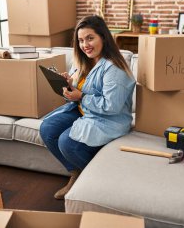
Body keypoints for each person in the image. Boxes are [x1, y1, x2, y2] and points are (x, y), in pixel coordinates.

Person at [39, 15, 136, 200]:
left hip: (108, 119)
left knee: (67, 143)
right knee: (47, 128)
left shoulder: (114, 68)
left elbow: (111, 106)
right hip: (84, 111)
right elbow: (79, 92)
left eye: (90, 38)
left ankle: (101, 182)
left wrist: (81, 96)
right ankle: (76, 173)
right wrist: (69, 85)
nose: (85, 45)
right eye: (81, 40)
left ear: (104, 37)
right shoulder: (84, 61)